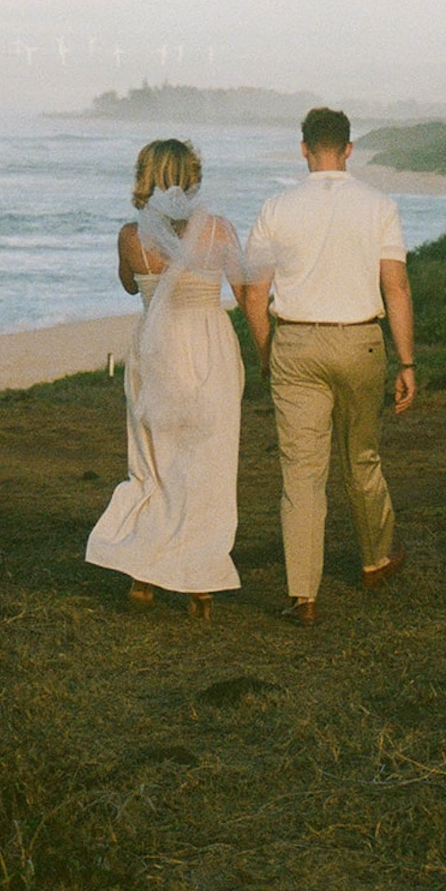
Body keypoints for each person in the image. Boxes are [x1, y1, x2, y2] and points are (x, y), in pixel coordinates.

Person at [244, 106, 416, 624]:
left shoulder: (276, 207)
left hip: (296, 341)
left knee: (301, 472)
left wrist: (267, 352)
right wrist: (407, 361)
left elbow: (255, 293)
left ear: (303, 149)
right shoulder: (379, 205)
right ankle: (375, 560)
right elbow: (397, 287)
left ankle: (304, 594)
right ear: (348, 149)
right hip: (361, 340)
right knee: (361, 457)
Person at [85, 138, 248, 619]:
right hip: (208, 345)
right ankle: (200, 581)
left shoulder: (131, 236)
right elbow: (245, 287)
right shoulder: (217, 229)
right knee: (208, 462)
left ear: (144, 177)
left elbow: (128, 283)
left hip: (155, 352)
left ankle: (143, 574)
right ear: (192, 177)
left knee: (154, 461)